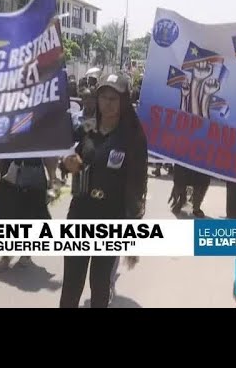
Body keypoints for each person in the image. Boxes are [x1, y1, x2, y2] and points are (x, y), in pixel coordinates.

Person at [60, 73, 148, 308]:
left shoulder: (133, 136)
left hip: (111, 218)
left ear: (123, 101)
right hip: (79, 214)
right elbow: (72, 157)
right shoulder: (87, 128)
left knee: (99, 284)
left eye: (113, 98)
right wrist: (67, 163)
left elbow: (138, 183)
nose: (107, 103)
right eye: (103, 97)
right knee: (71, 283)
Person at [0, 157, 56, 271]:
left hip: (34, 177)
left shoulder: (42, 139)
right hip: (10, 176)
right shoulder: (9, 138)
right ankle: (6, 254)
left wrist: (52, 178)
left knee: (31, 216)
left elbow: (48, 156)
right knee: (5, 215)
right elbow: (1, 154)